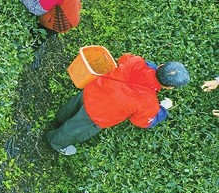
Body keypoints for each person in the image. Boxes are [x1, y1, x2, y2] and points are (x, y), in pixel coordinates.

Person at [46, 55, 189, 155]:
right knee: (74, 128)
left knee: (72, 107)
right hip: (98, 114)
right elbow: (142, 122)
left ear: (161, 65)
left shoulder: (136, 61)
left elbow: (123, 58)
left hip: (93, 90)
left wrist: (148, 66)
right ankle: (56, 143)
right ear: (170, 87)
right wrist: (162, 109)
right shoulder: (149, 104)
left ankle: (60, 119)